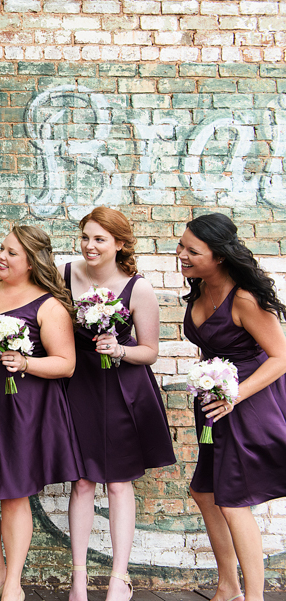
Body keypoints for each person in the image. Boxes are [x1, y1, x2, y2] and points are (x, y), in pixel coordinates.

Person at [0, 225, 83, 601]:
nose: (1, 256)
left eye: (11, 252)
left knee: (13, 494)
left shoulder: (48, 305)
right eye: (1, 248)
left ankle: (13, 584)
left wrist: (25, 362)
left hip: (17, 406)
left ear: (31, 261)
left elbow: (66, 364)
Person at [64, 207, 176, 601]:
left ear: (120, 244)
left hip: (122, 390)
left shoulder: (137, 287)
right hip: (78, 387)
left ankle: (118, 579)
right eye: (86, 237)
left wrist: (120, 349)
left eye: (100, 239)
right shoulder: (67, 275)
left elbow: (150, 352)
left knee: (117, 484)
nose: (89, 246)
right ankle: (78, 580)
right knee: (80, 482)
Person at [178, 213, 286, 601]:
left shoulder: (244, 298)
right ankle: (228, 586)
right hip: (214, 405)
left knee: (233, 499)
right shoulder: (201, 287)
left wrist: (234, 394)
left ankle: (252, 597)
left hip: (247, 403)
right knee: (204, 492)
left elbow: (280, 357)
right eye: (181, 245)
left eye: (193, 250)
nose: (181, 254)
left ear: (219, 256)